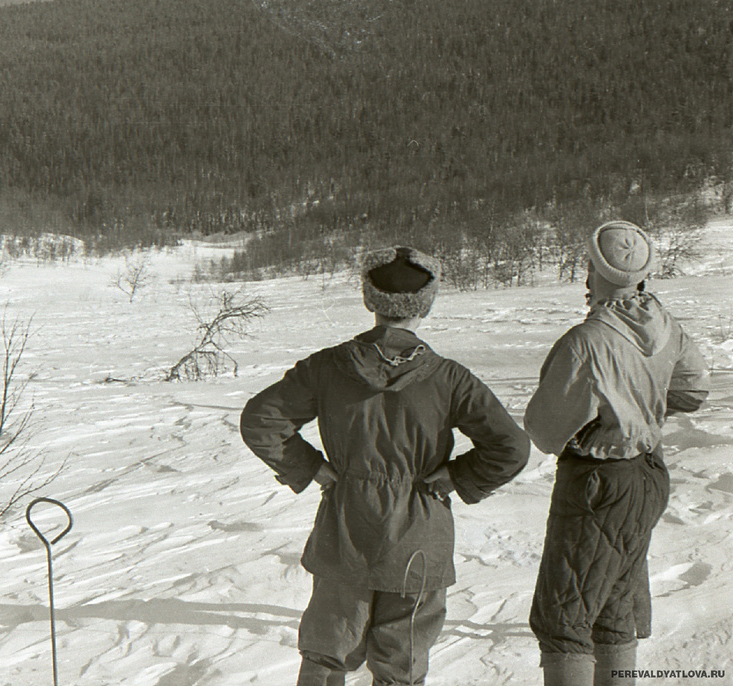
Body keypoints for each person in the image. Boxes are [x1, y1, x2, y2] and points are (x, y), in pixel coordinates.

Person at [240, 246, 530, 686]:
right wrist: (457, 476)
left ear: (369, 300)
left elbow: (262, 419)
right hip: (420, 537)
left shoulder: (326, 367)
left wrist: (309, 468)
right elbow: (510, 446)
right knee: (401, 667)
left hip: (345, 532)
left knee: (326, 653)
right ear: (426, 305)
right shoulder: (450, 378)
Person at [525, 220, 709, 686]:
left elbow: (545, 431)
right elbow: (693, 390)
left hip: (597, 481)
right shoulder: (664, 323)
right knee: (614, 603)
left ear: (595, 273)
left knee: (565, 619)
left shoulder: (585, 342)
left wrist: (611, 413)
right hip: (648, 474)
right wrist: (642, 407)